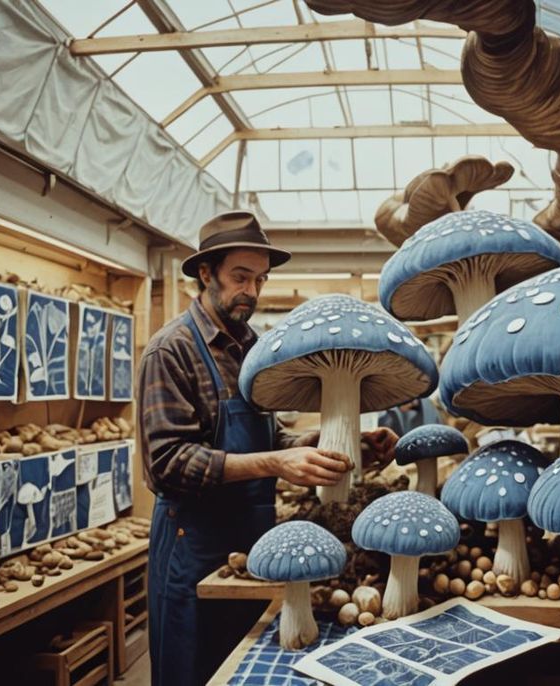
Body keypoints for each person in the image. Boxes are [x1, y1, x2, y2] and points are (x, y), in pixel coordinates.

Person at [136, 211, 398, 686]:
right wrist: (277, 462)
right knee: (192, 668)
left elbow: (270, 439)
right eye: (241, 277)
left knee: (243, 664)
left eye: (260, 279)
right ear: (205, 273)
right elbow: (167, 464)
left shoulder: (252, 348)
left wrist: (333, 446)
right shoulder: (171, 350)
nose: (252, 291)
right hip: (193, 543)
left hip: (253, 538)